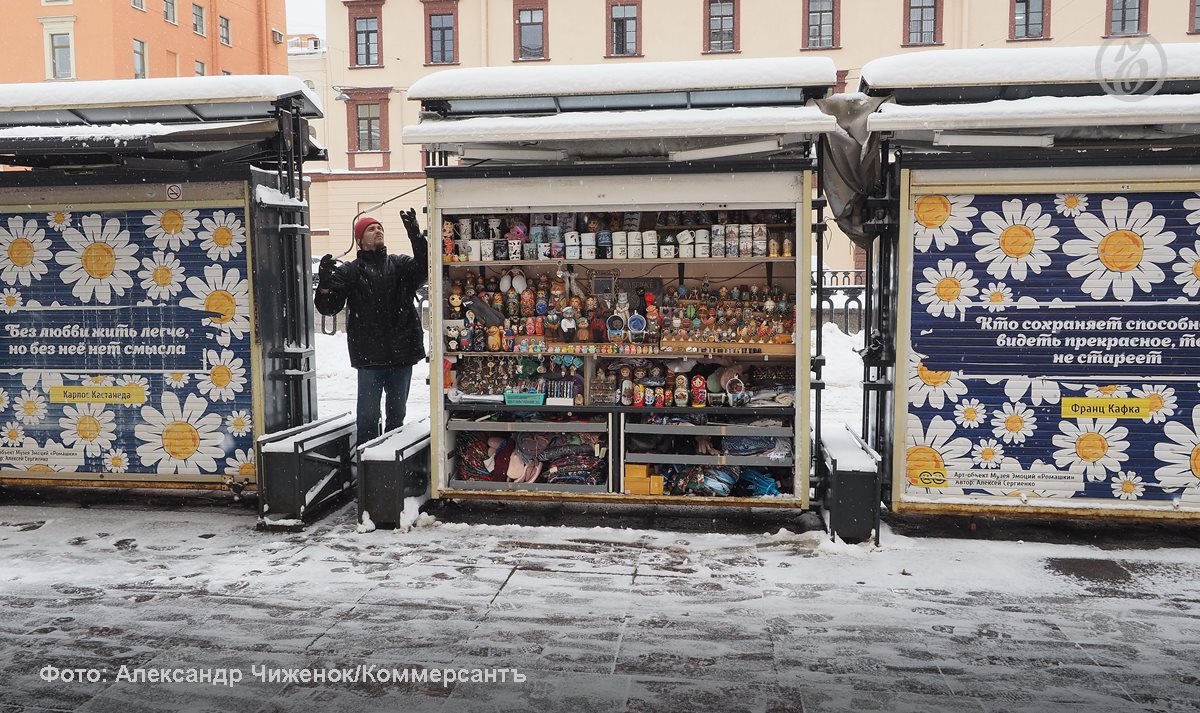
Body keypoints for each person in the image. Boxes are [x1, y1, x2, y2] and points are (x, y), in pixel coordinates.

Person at [315, 209, 428, 443]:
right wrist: (324, 283)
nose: (378, 231)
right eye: (371, 228)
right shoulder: (350, 271)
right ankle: (367, 469)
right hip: (369, 358)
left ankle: (390, 469)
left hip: (401, 356)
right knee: (367, 419)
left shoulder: (399, 264)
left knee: (397, 419)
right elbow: (328, 307)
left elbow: (425, 268)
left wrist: (415, 235)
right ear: (359, 240)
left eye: (380, 228)